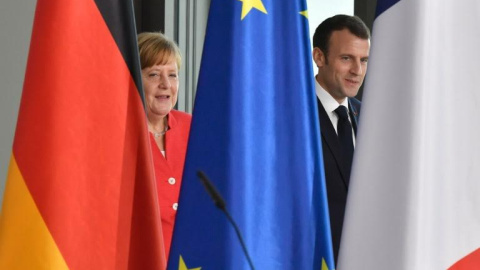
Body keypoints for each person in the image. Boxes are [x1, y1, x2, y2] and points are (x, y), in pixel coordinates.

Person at [312, 15, 370, 263]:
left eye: (364, 60)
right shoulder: (290, 116)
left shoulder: (370, 116)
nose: (357, 70)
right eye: (347, 58)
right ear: (319, 57)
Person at [138, 32, 191, 259]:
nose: (166, 84)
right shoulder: (117, 134)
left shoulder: (193, 127)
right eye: (153, 74)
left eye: (173, 75)